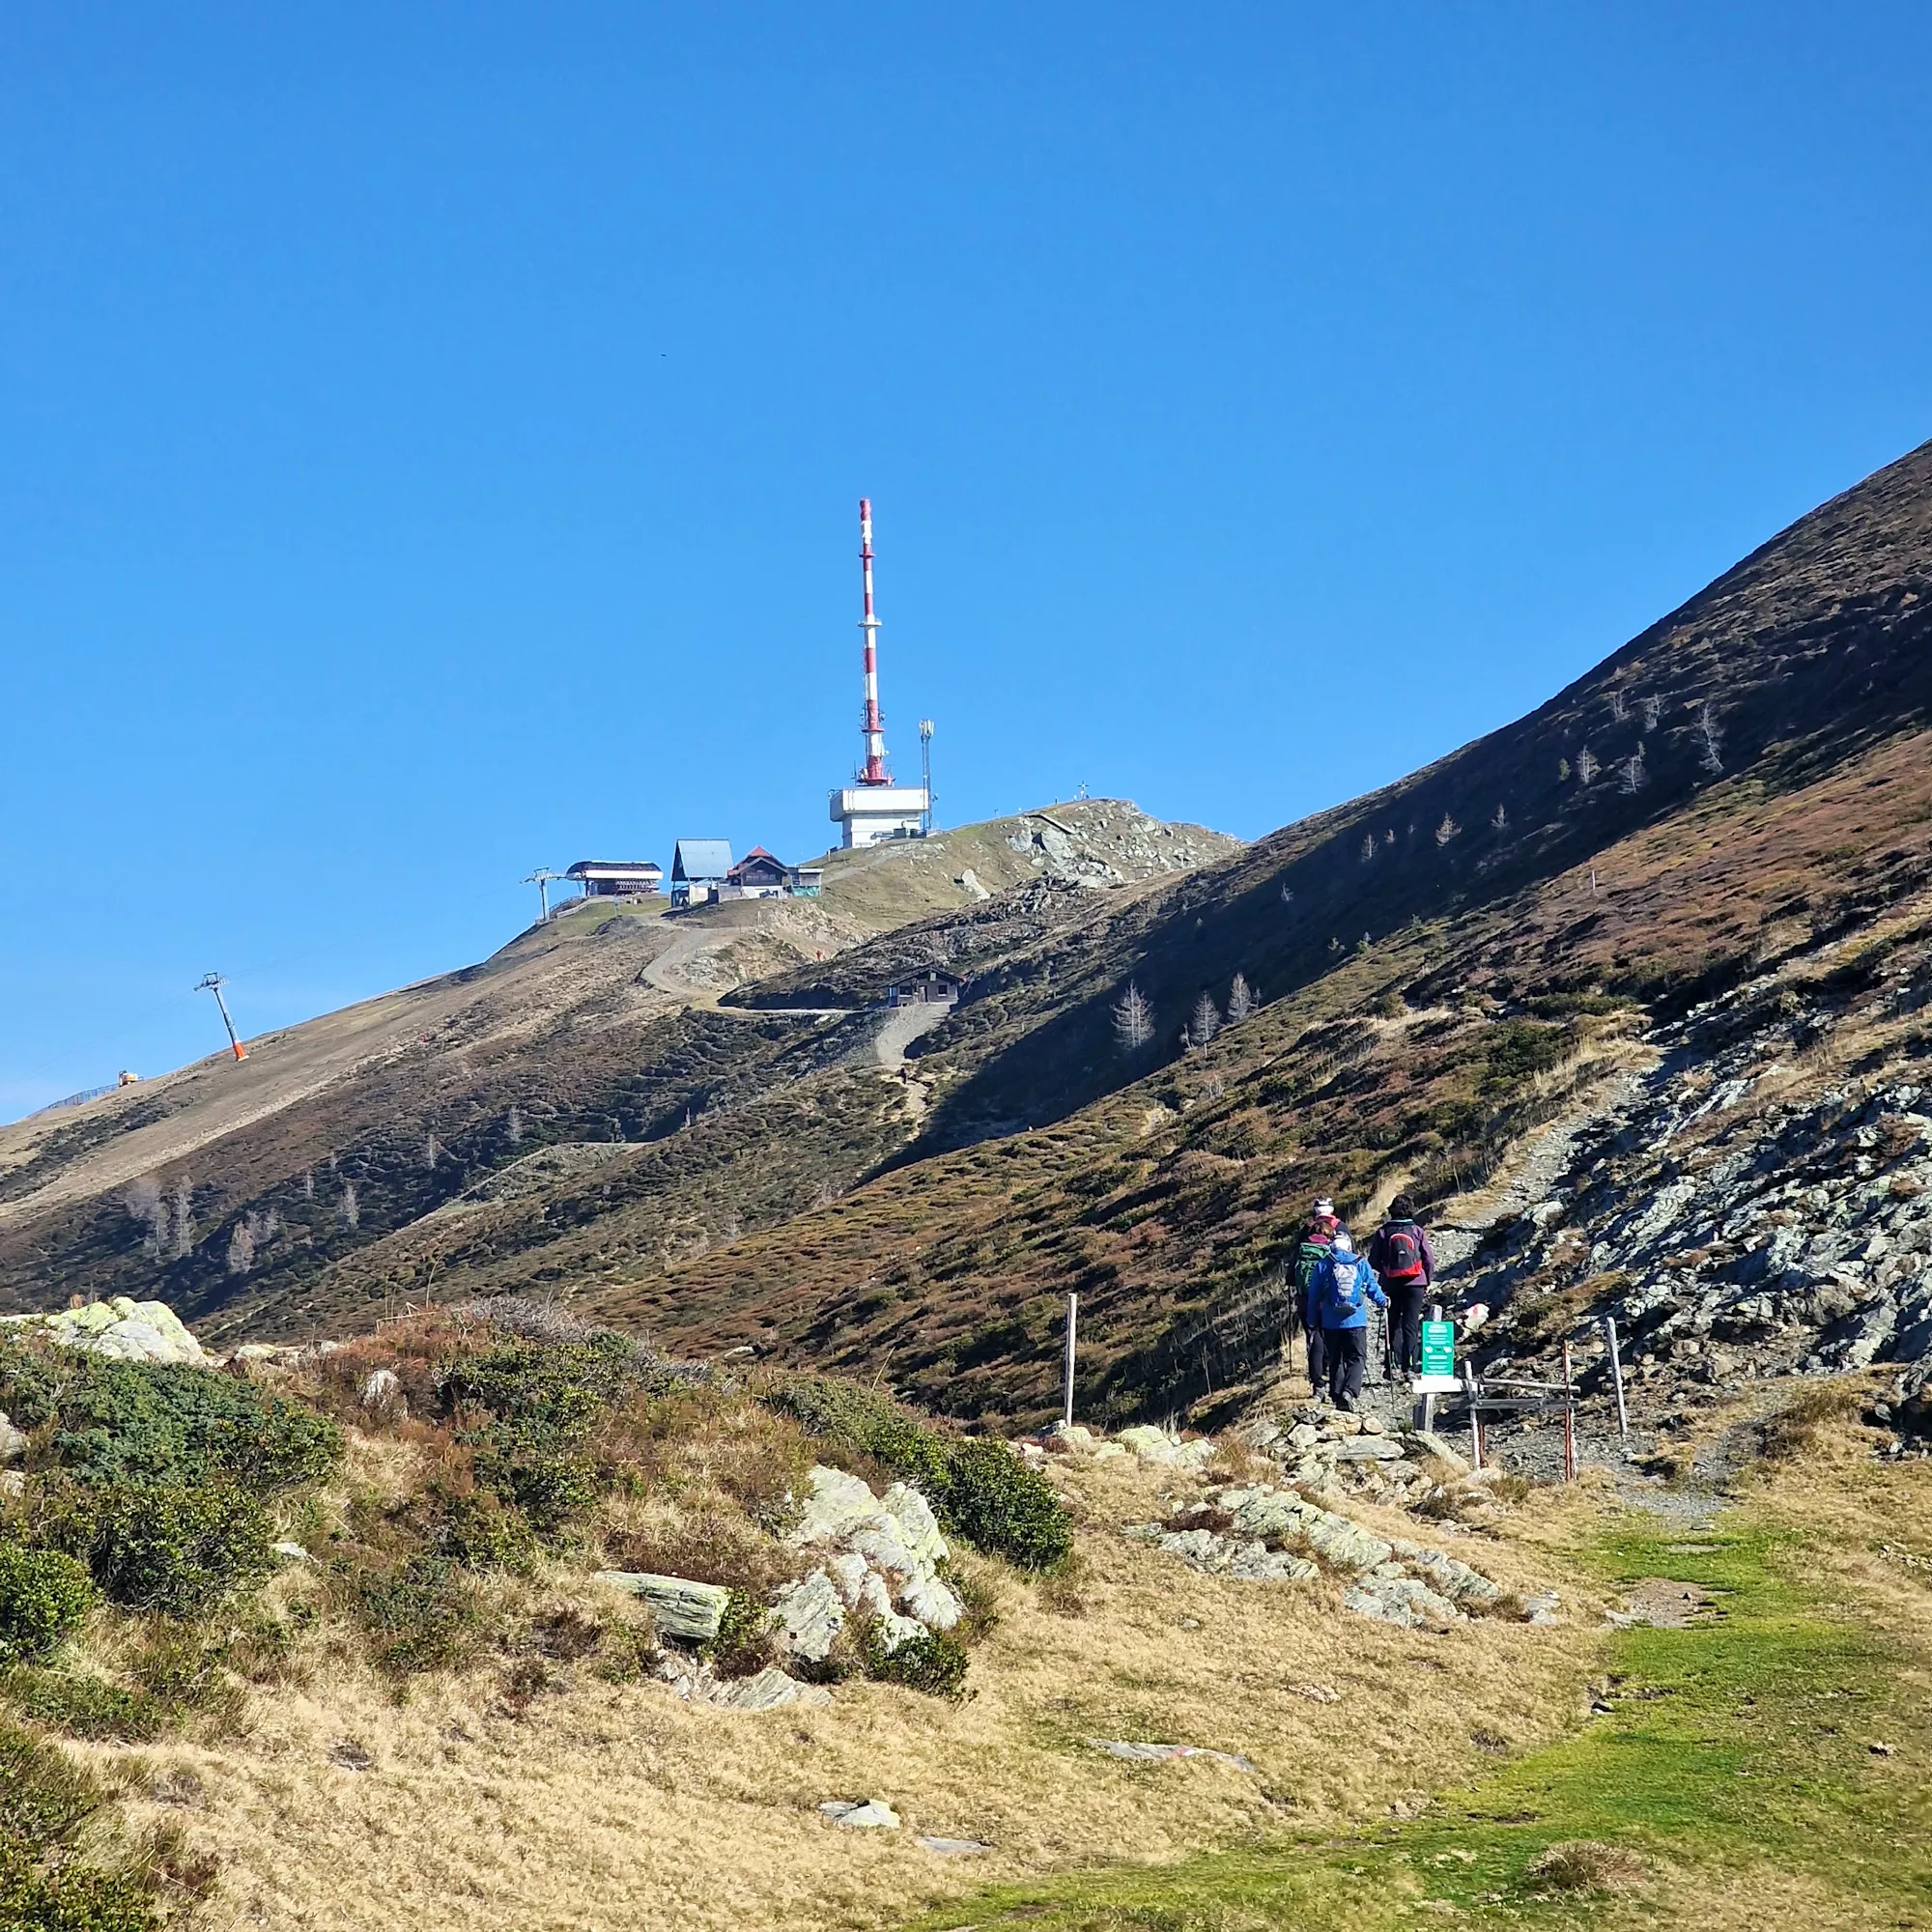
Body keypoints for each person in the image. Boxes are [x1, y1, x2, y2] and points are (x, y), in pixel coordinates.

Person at [1368, 1193, 1437, 1381]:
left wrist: (1386, 1270)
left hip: (1391, 1282)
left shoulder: (1383, 1232)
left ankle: (1391, 1366)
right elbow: (1428, 1259)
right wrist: (1427, 1279)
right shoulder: (1417, 1231)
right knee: (1411, 1324)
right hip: (1416, 1283)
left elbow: (1372, 1260)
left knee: (1393, 1324)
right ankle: (1409, 1368)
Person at [1316, 1228, 1386, 1412]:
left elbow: (1315, 1293)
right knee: (1357, 1357)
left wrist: (1312, 1318)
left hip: (1331, 1322)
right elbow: (1371, 1287)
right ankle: (1350, 1391)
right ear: (1349, 1246)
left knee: (1335, 1359)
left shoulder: (1324, 1263)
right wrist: (1383, 1301)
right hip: (1356, 1320)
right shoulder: (1360, 1262)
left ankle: (1338, 1396)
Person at [1292, 1200, 1338, 1398]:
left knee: (1313, 1339)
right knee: (1330, 1338)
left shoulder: (1301, 1251)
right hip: (1326, 1304)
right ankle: (1330, 1374)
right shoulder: (1331, 1253)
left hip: (1305, 1302)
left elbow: (1290, 1278)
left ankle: (1317, 1383)